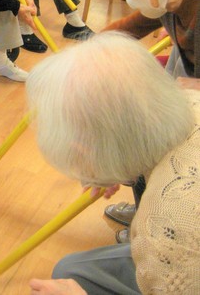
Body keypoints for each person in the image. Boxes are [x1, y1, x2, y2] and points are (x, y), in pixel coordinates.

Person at [26, 32, 200, 295]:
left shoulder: (166, 227)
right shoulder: (190, 101)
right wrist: (111, 165)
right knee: (70, 269)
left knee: (69, 275)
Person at [101, 0, 199, 240]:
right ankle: (147, 208)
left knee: (149, 129)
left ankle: (158, 224)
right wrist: (86, 56)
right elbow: (129, 27)